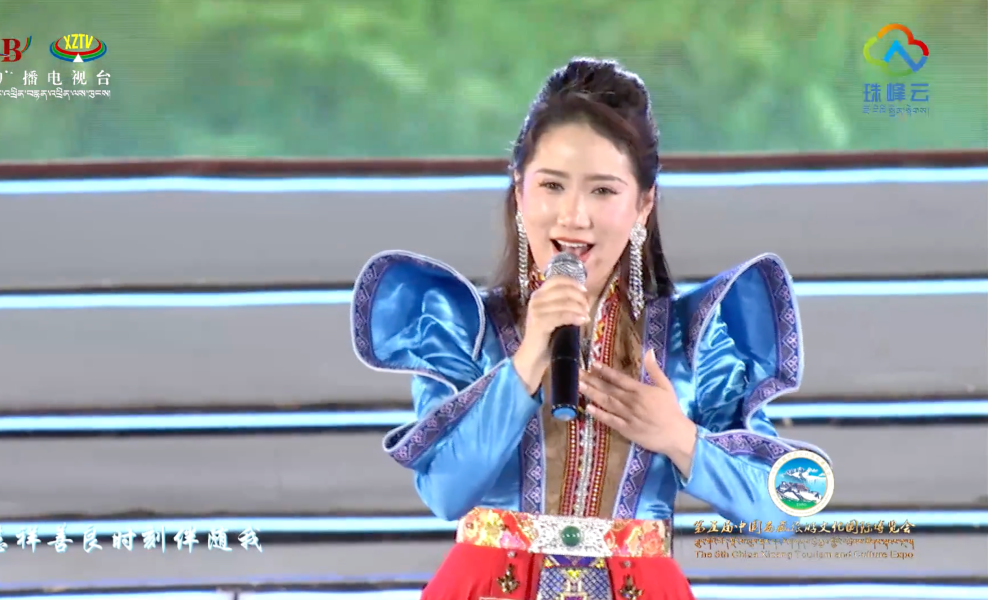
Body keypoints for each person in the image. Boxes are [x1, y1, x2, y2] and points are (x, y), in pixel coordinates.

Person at [350, 57, 830, 600]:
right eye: (552, 185)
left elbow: (786, 509)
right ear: (519, 190)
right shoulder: (465, 329)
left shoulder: (690, 340)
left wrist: (679, 438)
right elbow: (443, 493)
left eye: (602, 191)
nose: (573, 216)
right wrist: (525, 363)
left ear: (643, 204)